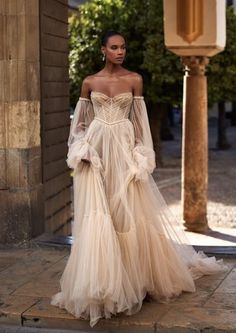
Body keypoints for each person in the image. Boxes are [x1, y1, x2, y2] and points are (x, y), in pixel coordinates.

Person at [50, 30, 228, 327]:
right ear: (103, 50)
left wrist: (140, 157)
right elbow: (79, 125)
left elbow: (140, 125)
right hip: (96, 153)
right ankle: (104, 284)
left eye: (123, 47)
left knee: (127, 214)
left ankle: (135, 279)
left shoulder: (134, 79)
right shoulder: (89, 82)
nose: (120, 52)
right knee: (99, 214)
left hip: (122, 152)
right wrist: (82, 150)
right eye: (114, 47)